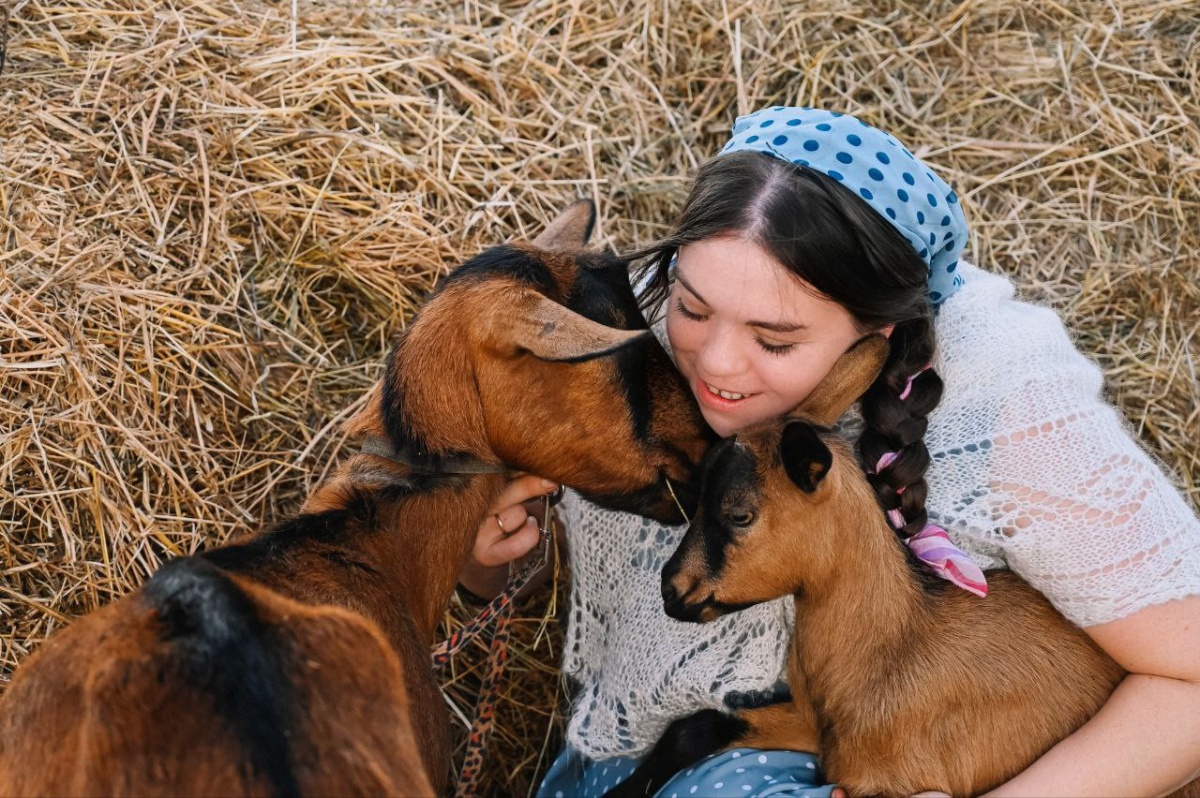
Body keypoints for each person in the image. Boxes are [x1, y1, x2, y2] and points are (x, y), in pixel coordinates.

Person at [458, 106, 1200, 797]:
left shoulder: (1007, 415)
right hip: (661, 747)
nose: (714, 362)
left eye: (774, 340)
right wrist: (488, 561)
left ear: (872, 340)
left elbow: (1191, 680)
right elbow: (591, 574)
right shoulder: (633, 339)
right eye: (692, 306)